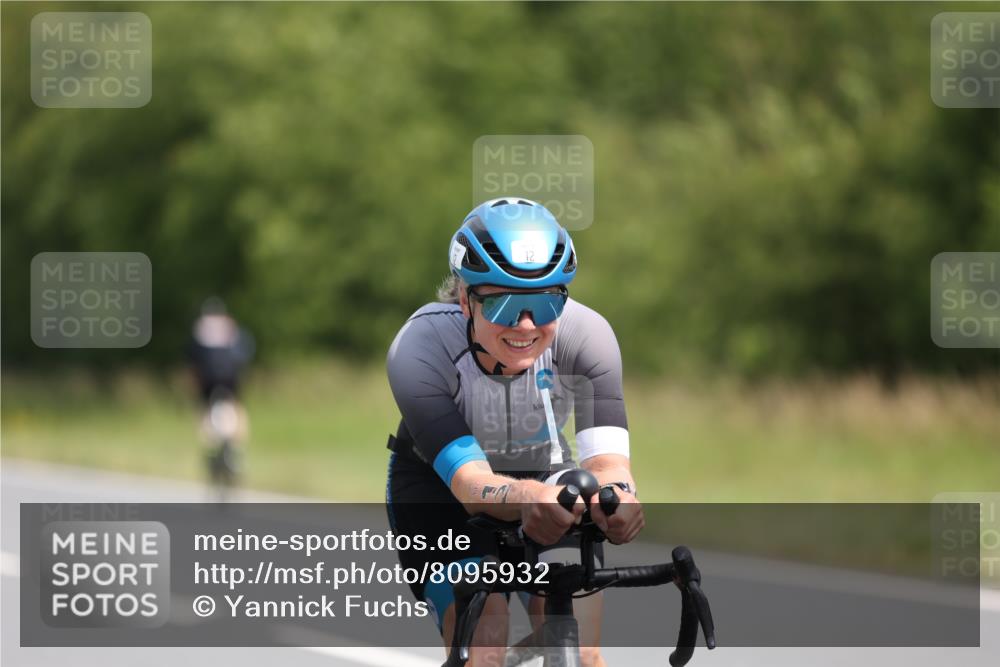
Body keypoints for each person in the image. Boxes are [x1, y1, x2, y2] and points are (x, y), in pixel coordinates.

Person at [385, 198, 644, 666]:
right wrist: (529, 498)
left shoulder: (589, 335)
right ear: (466, 300)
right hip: (440, 490)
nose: (526, 325)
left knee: (583, 650)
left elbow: (608, 463)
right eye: (505, 304)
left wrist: (619, 497)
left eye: (545, 302)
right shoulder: (420, 345)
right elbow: (469, 485)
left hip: (545, 475)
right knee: (484, 640)